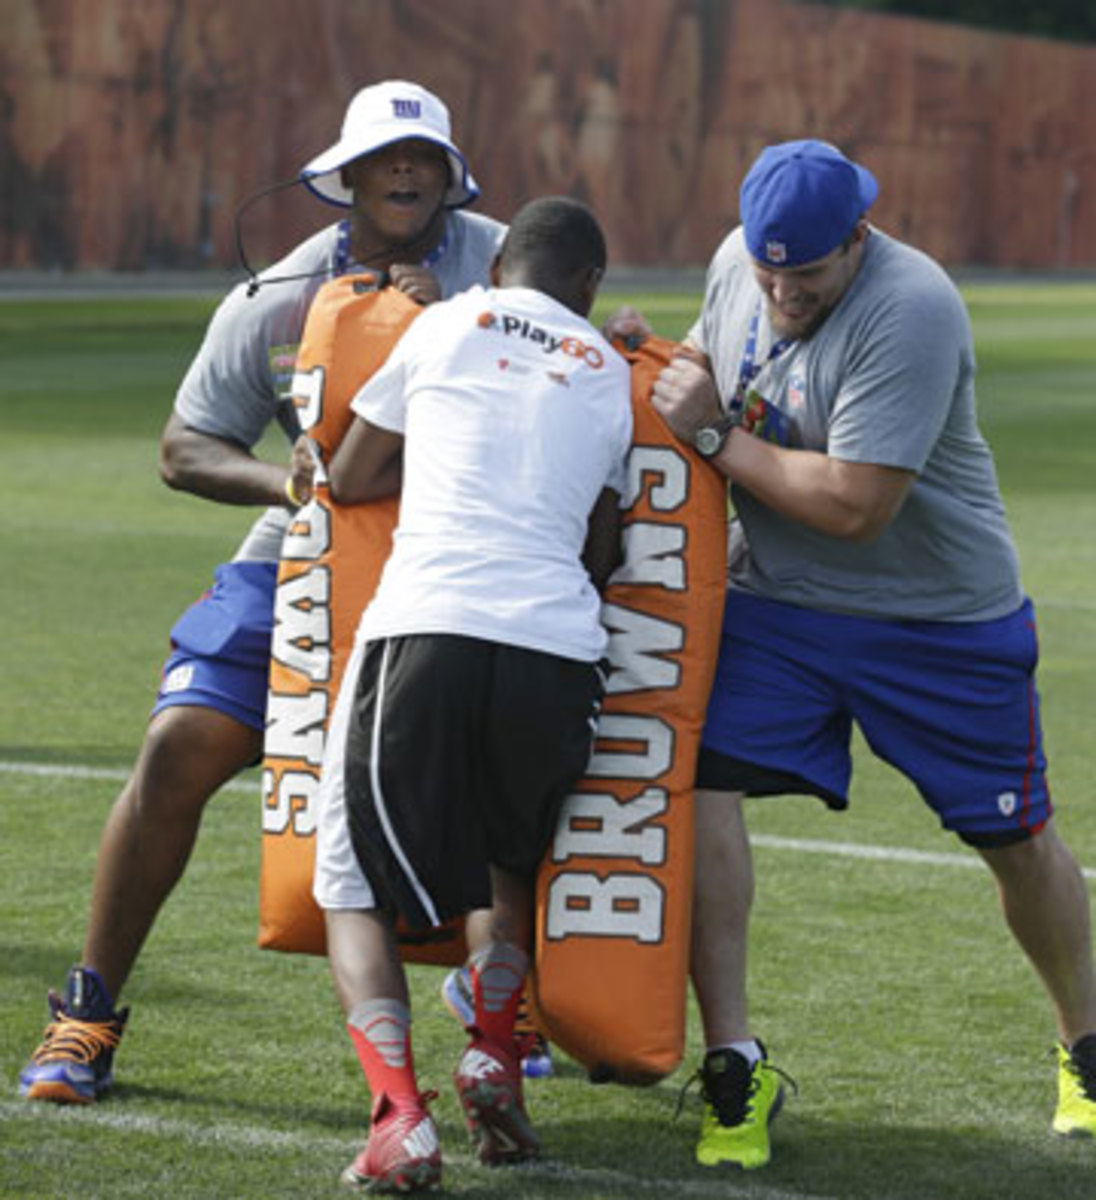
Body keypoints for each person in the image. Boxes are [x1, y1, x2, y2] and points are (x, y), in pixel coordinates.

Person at [19, 79, 506, 1105]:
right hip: (305, 545)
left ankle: (512, 1014)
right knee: (176, 744)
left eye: (422, 158)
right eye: (385, 159)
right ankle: (86, 1009)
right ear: (346, 178)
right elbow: (182, 447)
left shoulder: (504, 266)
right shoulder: (278, 294)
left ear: (451, 176)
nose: (405, 173)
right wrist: (289, 482)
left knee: (521, 761)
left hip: (460, 555)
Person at [619, 138, 1096, 1169]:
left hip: (938, 617)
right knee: (697, 777)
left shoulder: (911, 306)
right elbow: (713, 364)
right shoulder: (734, 263)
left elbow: (854, 506)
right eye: (768, 269)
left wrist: (707, 437)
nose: (782, 291)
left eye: (809, 272)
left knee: (1014, 840)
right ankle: (733, 1065)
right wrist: (657, 363)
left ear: (860, 238)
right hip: (779, 602)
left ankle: (1085, 1047)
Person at [312, 195, 632, 1191]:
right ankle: (494, 1049)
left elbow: (356, 475)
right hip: (556, 651)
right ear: (590, 285)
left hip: (428, 627)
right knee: (506, 864)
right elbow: (603, 542)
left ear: (499, 270)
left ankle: (399, 1116)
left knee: (349, 882)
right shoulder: (613, 370)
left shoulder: (443, 322)